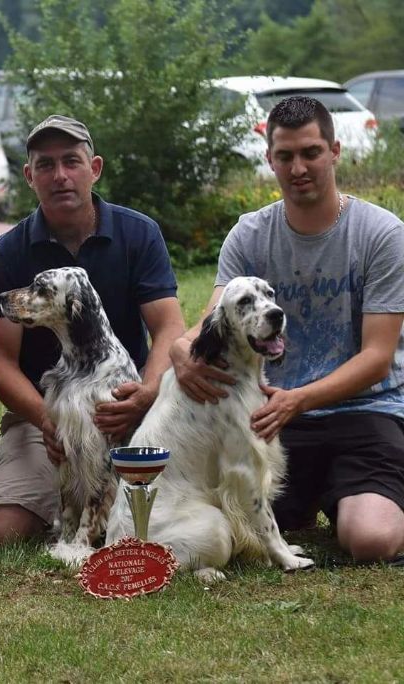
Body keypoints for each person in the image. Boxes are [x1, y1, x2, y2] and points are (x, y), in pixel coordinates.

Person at [171, 96, 404, 564]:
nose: (299, 168)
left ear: (335, 151)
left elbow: (377, 359)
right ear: (269, 159)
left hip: (365, 409)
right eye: (285, 156)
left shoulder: (381, 234)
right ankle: (311, 501)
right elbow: (211, 319)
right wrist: (181, 349)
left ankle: (372, 500)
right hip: (273, 419)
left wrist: (300, 398)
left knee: (371, 541)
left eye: (311, 152)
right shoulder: (248, 234)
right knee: (235, 528)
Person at [0, 115, 186, 544]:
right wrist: (48, 421)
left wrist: (147, 393)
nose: (60, 175)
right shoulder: (6, 252)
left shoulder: (138, 233)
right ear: (30, 176)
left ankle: (109, 509)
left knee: (166, 507)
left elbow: (169, 328)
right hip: (43, 416)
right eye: (45, 165)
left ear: (95, 168)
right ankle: (74, 510)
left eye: (72, 161)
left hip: (129, 413)